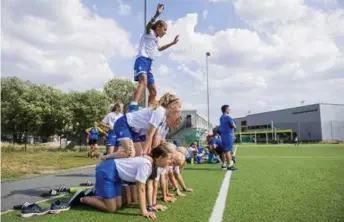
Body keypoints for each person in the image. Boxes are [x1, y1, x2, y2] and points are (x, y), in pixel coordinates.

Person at [79, 146, 171, 219]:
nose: (170, 162)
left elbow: (147, 186)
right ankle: (81, 198)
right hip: (107, 170)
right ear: (159, 157)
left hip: (116, 175)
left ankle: (97, 196)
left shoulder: (151, 163)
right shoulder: (146, 164)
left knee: (118, 205)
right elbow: (141, 189)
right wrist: (144, 211)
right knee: (111, 208)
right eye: (168, 159)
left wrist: (151, 206)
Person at [129, 3, 180, 112]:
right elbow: (148, 25)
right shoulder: (149, 32)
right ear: (158, 27)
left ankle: (149, 110)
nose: (165, 32)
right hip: (142, 60)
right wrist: (157, 14)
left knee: (153, 91)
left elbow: (160, 48)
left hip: (149, 64)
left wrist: (172, 43)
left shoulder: (156, 39)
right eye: (164, 29)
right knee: (143, 82)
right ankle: (133, 106)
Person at [101, 93, 181, 159]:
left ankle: (110, 161)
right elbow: (150, 134)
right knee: (131, 153)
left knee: (138, 154)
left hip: (134, 130)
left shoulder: (164, 117)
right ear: (172, 105)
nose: (179, 109)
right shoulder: (160, 111)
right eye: (179, 106)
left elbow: (156, 137)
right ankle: (105, 158)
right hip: (124, 124)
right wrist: (145, 154)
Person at [219, 105, 238, 171]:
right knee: (228, 151)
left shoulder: (221, 117)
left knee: (224, 151)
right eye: (229, 109)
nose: (229, 110)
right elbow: (234, 126)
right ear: (226, 110)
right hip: (228, 135)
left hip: (223, 135)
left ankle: (223, 165)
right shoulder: (228, 117)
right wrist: (234, 125)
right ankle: (229, 165)